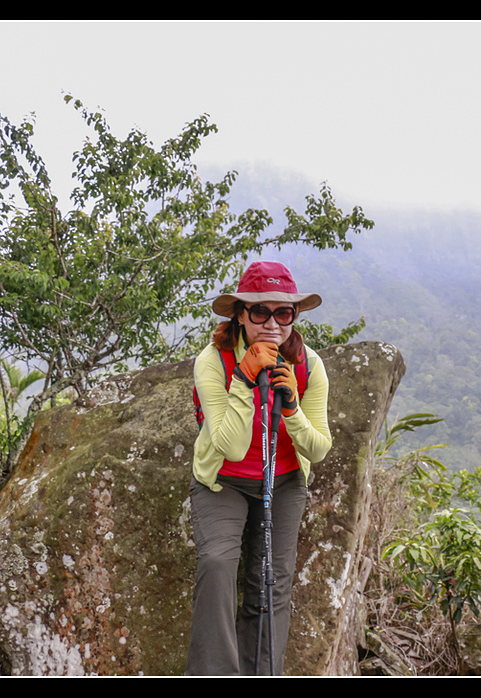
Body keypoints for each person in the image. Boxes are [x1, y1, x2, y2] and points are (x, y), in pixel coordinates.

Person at [186, 261, 332, 675]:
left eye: (283, 312)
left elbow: (318, 448)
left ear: (294, 316)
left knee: (271, 583)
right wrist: (244, 379)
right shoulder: (213, 362)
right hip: (224, 482)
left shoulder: (309, 366)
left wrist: (292, 409)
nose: (272, 322)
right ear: (240, 315)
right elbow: (229, 447)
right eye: (259, 312)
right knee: (216, 565)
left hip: (282, 481)